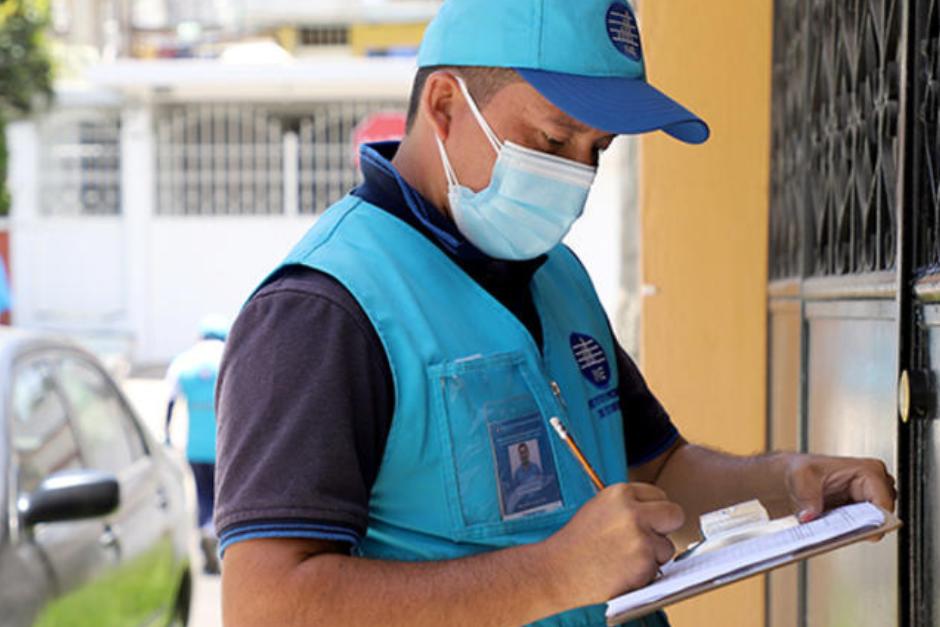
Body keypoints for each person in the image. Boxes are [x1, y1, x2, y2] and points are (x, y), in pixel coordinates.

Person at [215, 1, 897, 625]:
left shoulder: (554, 274)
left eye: (597, 150)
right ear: (446, 104)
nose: (578, 176)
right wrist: (551, 574)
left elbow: (653, 475)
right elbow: (267, 605)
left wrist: (787, 484)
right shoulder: (322, 310)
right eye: (552, 139)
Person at [166, 313, 228, 575]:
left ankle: (205, 528)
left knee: (202, 494)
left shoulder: (185, 360)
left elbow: (170, 399)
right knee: (222, 498)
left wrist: (167, 433)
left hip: (195, 445)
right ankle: (217, 533)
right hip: (225, 445)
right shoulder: (229, 355)